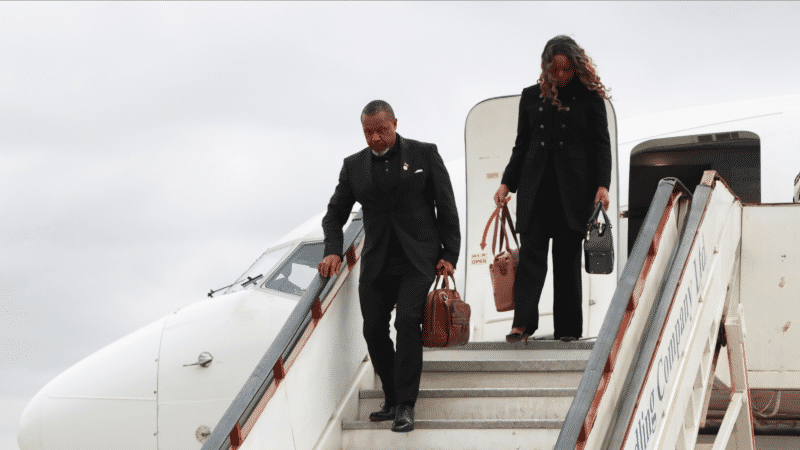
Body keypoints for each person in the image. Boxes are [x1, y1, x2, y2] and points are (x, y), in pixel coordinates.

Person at [318, 100, 460, 432]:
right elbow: (334, 215)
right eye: (368, 132)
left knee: (408, 322)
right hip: (378, 260)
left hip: (418, 257)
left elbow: (446, 206)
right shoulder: (353, 166)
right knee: (373, 329)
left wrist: (449, 255)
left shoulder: (425, 154)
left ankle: (406, 405)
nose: (375, 138)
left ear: (394, 123)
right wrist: (333, 251)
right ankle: (392, 397)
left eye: (381, 130)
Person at [494, 35, 611, 344]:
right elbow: (522, 145)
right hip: (536, 189)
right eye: (555, 70)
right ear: (545, 67)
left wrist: (603, 185)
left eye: (567, 69)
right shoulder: (530, 96)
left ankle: (569, 330)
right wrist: (507, 183)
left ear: (576, 66)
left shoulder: (590, 98)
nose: (561, 76)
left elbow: (601, 145)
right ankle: (522, 324)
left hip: (573, 192)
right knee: (531, 258)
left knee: (567, 259)